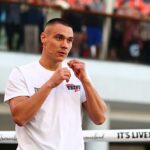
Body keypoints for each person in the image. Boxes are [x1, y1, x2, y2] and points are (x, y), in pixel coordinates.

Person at [4, 18, 107, 150]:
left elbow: (100, 118)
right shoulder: (21, 73)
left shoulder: (77, 74)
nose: (65, 45)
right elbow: (20, 117)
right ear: (43, 38)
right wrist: (50, 84)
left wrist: (85, 81)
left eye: (69, 40)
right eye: (59, 38)